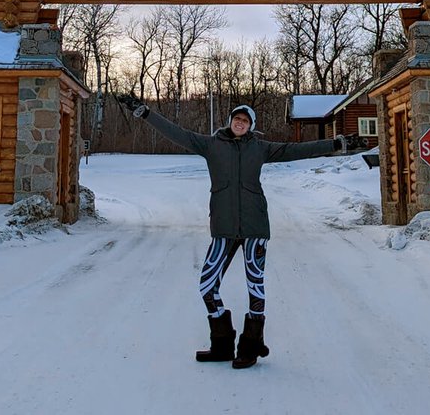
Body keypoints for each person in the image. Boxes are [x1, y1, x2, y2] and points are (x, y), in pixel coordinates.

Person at [116, 91, 364, 369]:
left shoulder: (260, 148)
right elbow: (177, 133)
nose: (240, 123)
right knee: (207, 286)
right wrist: (145, 113)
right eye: (237, 119)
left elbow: (298, 150)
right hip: (223, 227)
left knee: (255, 284)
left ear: (251, 126)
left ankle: (251, 345)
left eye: (246, 121)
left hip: (255, 226)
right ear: (230, 121)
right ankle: (222, 344)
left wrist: (336, 143)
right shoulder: (211, 145)